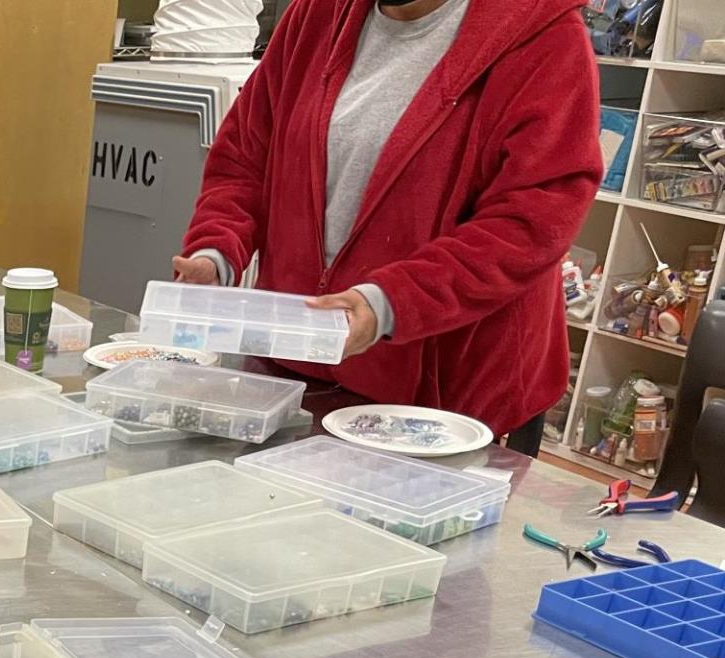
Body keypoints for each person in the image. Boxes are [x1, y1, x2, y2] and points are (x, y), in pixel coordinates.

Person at [172, 0, 602, 454]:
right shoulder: (316, 14)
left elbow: (531, 221)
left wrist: (391, 302)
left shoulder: (545, 36)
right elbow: (246, 153)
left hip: (445, 401)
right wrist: (216, 250)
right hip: (298, 367)